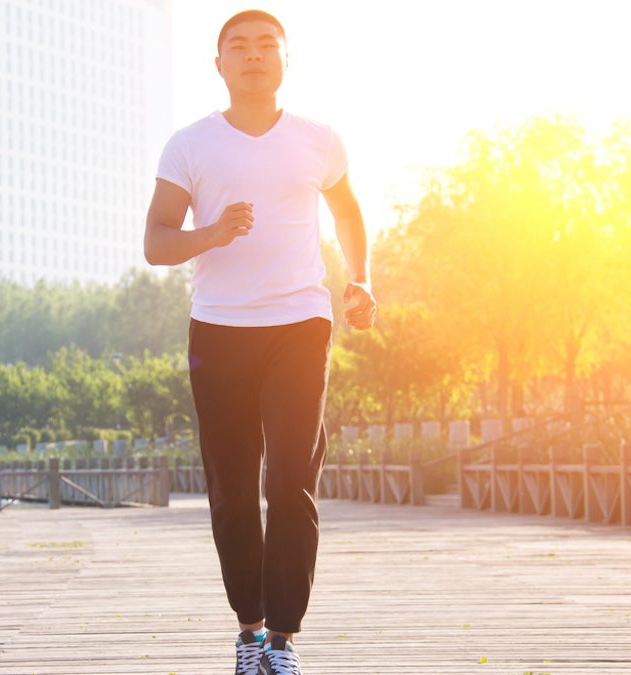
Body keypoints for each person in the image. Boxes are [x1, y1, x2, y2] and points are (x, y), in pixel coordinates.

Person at [143, 9, 376, 674]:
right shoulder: (189, 145)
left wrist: (360, 279)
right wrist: (210, 234)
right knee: (234, 487)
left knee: (294, 474)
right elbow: (157, 240)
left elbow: (350, 212)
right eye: (237, 48)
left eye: (265, 46)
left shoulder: (318, 139)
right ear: (218, 65)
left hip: (301, 322)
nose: (252, 56)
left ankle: (283, 637)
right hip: (219, 329)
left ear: (284, 60)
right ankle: (249, 628)